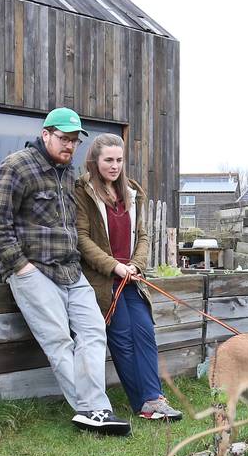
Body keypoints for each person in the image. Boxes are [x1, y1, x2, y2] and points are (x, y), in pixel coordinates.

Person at [0, 108, 131, 435]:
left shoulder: (67, 171)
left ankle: (94, 408)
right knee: (59, 341)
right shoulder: (16, 166)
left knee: (93, 332)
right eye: (63, 138)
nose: (69, 146)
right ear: (46, 133)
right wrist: (21, 267)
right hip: (33, 271)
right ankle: (92, 410)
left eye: (74, 141)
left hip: (70, 269)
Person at [76, 134, 183, 421]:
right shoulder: (83, 192)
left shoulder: (132, 192)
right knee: (122, 337)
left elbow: (143, 235)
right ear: (95, 161)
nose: (114, 166)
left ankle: (154, 398)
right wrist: (114, 266)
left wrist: (135, 265)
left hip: (132, 278)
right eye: (108, 160)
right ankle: (143, 403)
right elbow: (82, 239)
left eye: (119, 160)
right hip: (105, 280)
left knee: (145, 332)